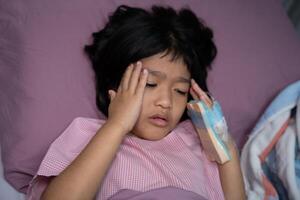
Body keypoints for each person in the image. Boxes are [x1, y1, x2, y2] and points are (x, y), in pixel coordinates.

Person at [26, 5, 246, 200]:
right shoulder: (88, 135)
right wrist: (117, 125)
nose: (166, 102)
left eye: (180, 90)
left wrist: (221, 138)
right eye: (150, 84)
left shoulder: (194, 140)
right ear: (115, 85)